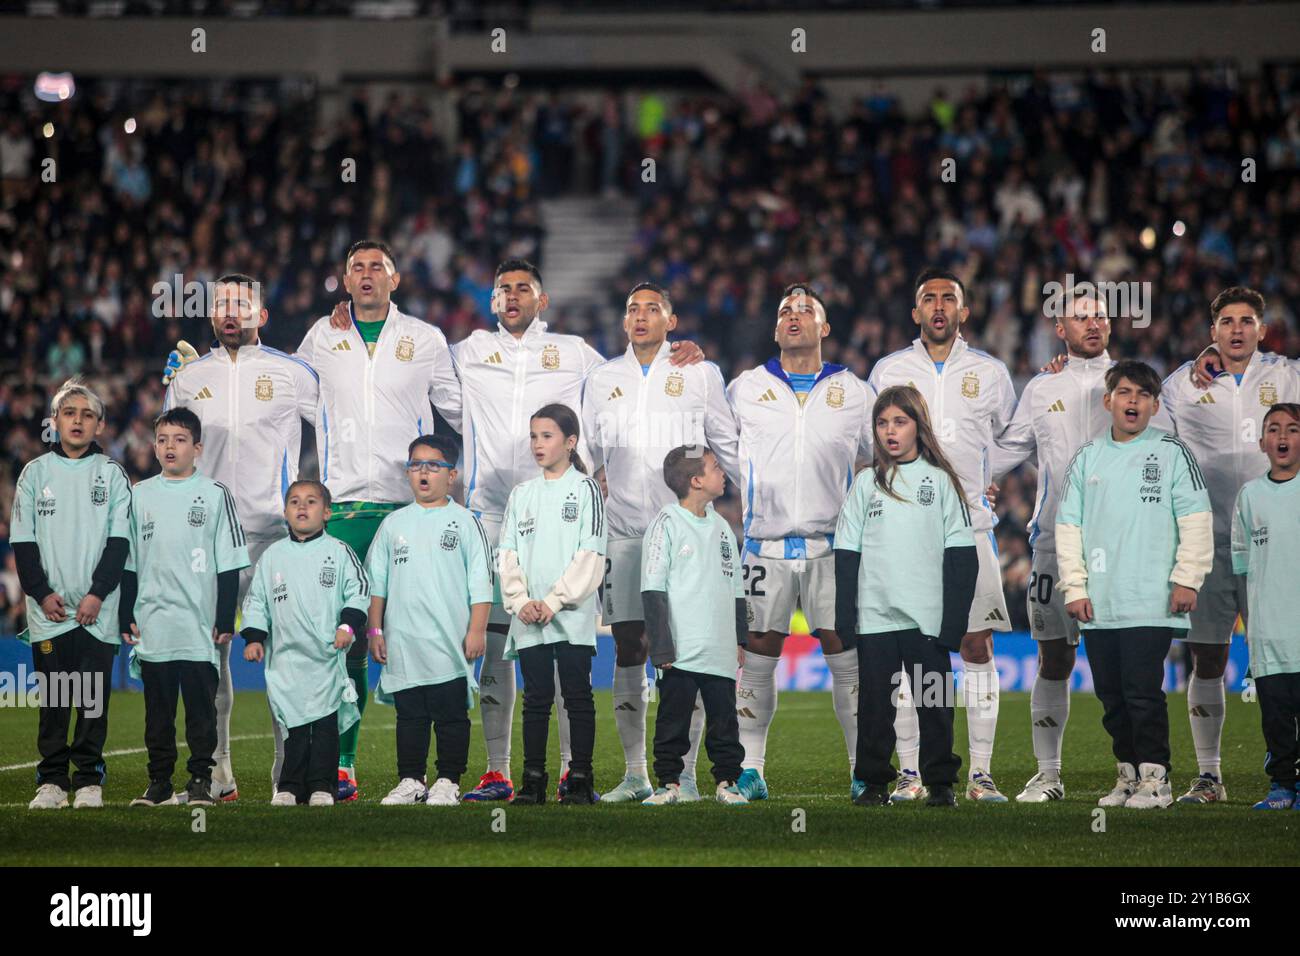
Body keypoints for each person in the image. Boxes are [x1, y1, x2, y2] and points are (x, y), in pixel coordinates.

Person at [410, 259, 701, 803]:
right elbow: (416, 368)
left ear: (543, 301)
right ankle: (499, 770)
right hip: (493, 515)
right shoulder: (467, 351)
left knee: (565, 645)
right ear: (491, 301)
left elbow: (630, 377)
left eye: (524, 288)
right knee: (498, 646)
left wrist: (677, 353)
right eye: (503, 289)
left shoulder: (575, 354)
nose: (513, 296)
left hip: (566, 518)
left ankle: (572, 771)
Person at [297, 239, 463, 800]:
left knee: (419, 635)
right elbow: (279, 395)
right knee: (344, 641)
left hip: (406, 507)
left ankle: (437, 773)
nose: (367, 275)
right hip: (342, 508)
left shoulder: (425, 340)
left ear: (395, 279)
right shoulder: (322, 338)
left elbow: (465, 408)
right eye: (357, 268)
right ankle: (342, 764)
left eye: (377, 267)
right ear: (345, 281)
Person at [161, 273, 319, 802]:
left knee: (283, 650)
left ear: (262, 316)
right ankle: (220, 771)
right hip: (207, 535)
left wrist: (318, 505)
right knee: (213, 649)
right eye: (222, 305)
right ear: (211, 316)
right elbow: (172, 446)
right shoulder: (189, 377)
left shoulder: (294, 373)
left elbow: (338, 435)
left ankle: (286, 771)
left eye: (242, 304)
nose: (232, 313)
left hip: (274, 530)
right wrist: (169, 390)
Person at [582, 282, 740, 802]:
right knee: (630, 646)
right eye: (633, 309)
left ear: (672, 321)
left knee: (690, 653)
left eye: (653, 309)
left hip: (688, 529)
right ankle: (635, 774)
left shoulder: (699, 371)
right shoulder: (602, 378)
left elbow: (726, 442)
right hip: (625, 533)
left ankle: (688, 776)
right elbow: (588, 455)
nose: (642, 316)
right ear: (624, 322)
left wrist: (752, 505)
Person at [867, 268, 1016, 802]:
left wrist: (983, 480)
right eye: (927, 297)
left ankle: (980, 774)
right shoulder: (889, 369)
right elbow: (873, 442)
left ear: (963, 311)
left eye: (947, 298)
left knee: (977, 645)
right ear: (915, 313)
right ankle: (909, 773)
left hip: (970, 529)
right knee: (907, 647)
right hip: (904, 534)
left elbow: (1011, 437)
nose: (937, 305)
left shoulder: (990, 372)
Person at [1150, 287, 1300, 804]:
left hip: (1277, 546)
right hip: (1207, 541)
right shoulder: (1180, 387)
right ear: (1212, 331)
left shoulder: (1285, 375)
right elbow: (1159, 454)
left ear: (1262, 329)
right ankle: (1210, 776)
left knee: (1289, 660)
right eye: (1228, 322)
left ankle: (1286, 770)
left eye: (1247, 321)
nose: (1237, 330)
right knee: (1207, 657)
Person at [726, 284, 873, 801]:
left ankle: (862, 771)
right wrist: (757, 494)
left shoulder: (854, 391)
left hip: (833, 546)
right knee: (758, 653)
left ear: (824, 329)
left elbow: (882, 456)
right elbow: (722, 447)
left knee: (844, 653)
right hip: (763, 546)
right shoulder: (745, 387)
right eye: (785, 310)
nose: (794, 316)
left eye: (805, 310)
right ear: (774, 328)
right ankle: (751, 770)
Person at [1056, 360, 1214, 809]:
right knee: (1111, 697)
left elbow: (1197, 520)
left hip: (1151, 598)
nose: (1133, 401)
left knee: (1142, 692)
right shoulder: (1087, 457)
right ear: (1108, 401)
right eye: (1124, 392)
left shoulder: (1171, 451)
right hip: (1100, 602)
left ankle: (1156, 779)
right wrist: (1076, 587)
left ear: (1155, 405)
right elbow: (1068, 527)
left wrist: (1187, 578)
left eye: (1143, 395)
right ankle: (1126, 774)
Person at [989, 288, 1113, 802]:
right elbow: (1007, 450)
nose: (1092, 323)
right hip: (1052, 546)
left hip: (1116, 545)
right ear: (1059, 330)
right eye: (1079, 317)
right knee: (1053, 659)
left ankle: (1138, 771)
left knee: (1120, 660)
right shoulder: (1042, 388)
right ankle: (1048, 774)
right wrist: (970, 480)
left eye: (1100, 315)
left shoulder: (1129, 384)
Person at [834, 385, 978, 808]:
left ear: (918, 426)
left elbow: (962, 558)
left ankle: (940, 784)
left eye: (899, 421)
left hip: (927, 619)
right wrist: (847, 617)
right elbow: (846, 554)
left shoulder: (942, 482)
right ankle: (874, 782)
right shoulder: (866, 483)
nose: (889, 431)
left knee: (935, 705)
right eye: (882, 423)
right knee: (876, 708)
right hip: (876, 618)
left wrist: (954, 623)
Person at [119, 407, 249, 807]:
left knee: (200, 713)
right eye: (162, 440)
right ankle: (158, 782)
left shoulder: (214, 494)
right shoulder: (139, 495)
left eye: (178, 440)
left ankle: (199, 781)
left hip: (197, 625)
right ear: (154, 448)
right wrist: (126, 612)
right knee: (157, 713)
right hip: (154, 624)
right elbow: (129, 562)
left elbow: (229, 564)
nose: (169, 447)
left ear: (197, 448)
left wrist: (225, 617)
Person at [12, 378, 132, 811]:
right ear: (55, 422)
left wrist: (97, 594)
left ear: (99, 425)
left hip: (97, 611)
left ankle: (88, 781)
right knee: (56, 699)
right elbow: (23, 545)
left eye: (87, 415)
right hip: (49, 612)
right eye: (69, 413)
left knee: (91, 698)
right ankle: (51, 781)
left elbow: (120, 544)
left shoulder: (113, 475)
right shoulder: (34, 474)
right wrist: (42, 594)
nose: (77, 421)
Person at [368, 435, 494, 807]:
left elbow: (481, 581)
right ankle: (411, 780)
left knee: (451, 714)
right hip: (404, 640)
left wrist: (476, 629)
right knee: (410, 716)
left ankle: (448, 781)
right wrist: (375, 629)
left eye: (433, 465)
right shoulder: (393, 525)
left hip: (449, 640)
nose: (423, 472)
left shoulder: (465, 522)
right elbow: (377, 584)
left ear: (451, 475)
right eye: (416, 464)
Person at [497, 404, 607, 805]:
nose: (538, 444)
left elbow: (592, 553)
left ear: (570, 441)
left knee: (577, 696)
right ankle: (532, 781)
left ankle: (579, 778)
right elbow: (506, 552)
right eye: (533, 436)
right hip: (529, 615)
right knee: (536, 699)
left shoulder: (586, 489)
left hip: (570, 614)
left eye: (547, 436)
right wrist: (521, 601)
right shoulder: (522, 494)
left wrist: (555, 600)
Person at [240, 480, 370, 806]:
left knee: (325, 726)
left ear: (327, 513)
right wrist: (255, 638)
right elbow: (256, 602)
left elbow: (359, 591)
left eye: (311, 502)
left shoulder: (339, 552)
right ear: (284, 511)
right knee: (293, 728)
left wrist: (347, 627)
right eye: (295, 501)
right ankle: (289, 785)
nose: (302, 507)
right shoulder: (272, 557)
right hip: (286, 659)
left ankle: (322, 787)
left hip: (326, 657)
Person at [640, 445, 748, 806]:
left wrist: (739, 638)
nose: (724, 474)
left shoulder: (721, 526)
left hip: (719, 648)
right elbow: (652, 587)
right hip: (682, 649)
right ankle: (668, 783)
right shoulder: (666, 523)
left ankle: (727, 782)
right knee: (672, 719)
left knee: (724, 721)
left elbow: (735, 586)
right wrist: (661, 645)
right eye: (716, 468)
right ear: (697, 480)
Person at [1229, 403, 1300, 810]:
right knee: (1275, 718)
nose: (1283, 437)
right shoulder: (1250, 496)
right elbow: (1243, 565)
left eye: (1292, 428)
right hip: (1268, 632)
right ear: (1262, 443)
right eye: (1274, 429)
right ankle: (1281, 786)